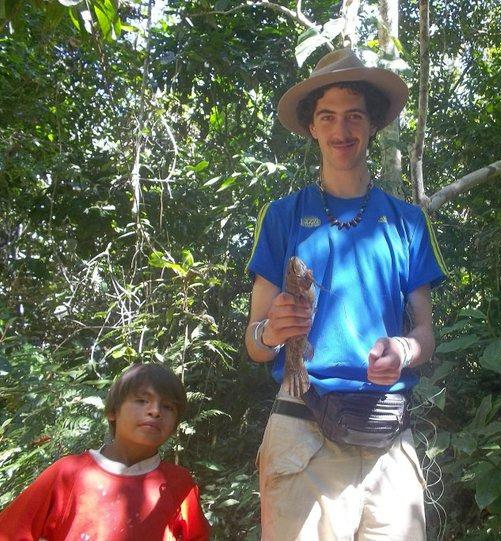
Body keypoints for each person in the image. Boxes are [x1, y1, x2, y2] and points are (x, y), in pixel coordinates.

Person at [245, 48, 448, 540]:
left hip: (388, 437)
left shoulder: (407, 221)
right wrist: (273, 329)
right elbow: (254, 344)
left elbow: (425, 333)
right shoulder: (283, 217)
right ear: (312, 128)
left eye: (354, 115)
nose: (342, 130)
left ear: (372, 124)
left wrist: (404, 349)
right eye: (328, 116)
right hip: (303, 424)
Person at [0, 363, 211, 541]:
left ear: (175, 425)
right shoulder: (68, 473)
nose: (155, 411)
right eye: (142, 401)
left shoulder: (179, 483)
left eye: (168, 407)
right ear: (112, 412)